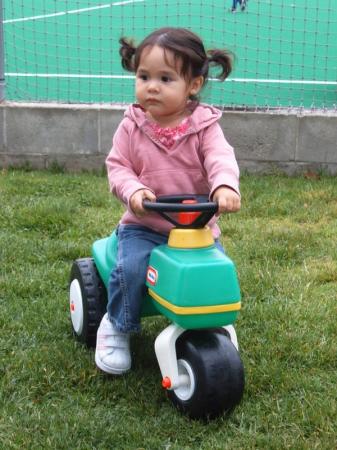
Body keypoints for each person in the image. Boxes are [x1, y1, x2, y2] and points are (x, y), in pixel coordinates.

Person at [95, 27, 241, 375]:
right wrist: (134, 192)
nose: (152, 86)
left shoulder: (204, 127)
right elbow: (118, 167)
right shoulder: (132, 126)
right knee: (129, 271)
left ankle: (210, 322)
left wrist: (224, 186)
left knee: (215, 270)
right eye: (144, 76)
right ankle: (117, 325)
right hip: (144, 226)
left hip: (195, 228)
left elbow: (220, 157)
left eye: (165, 78)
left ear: (192, 85)